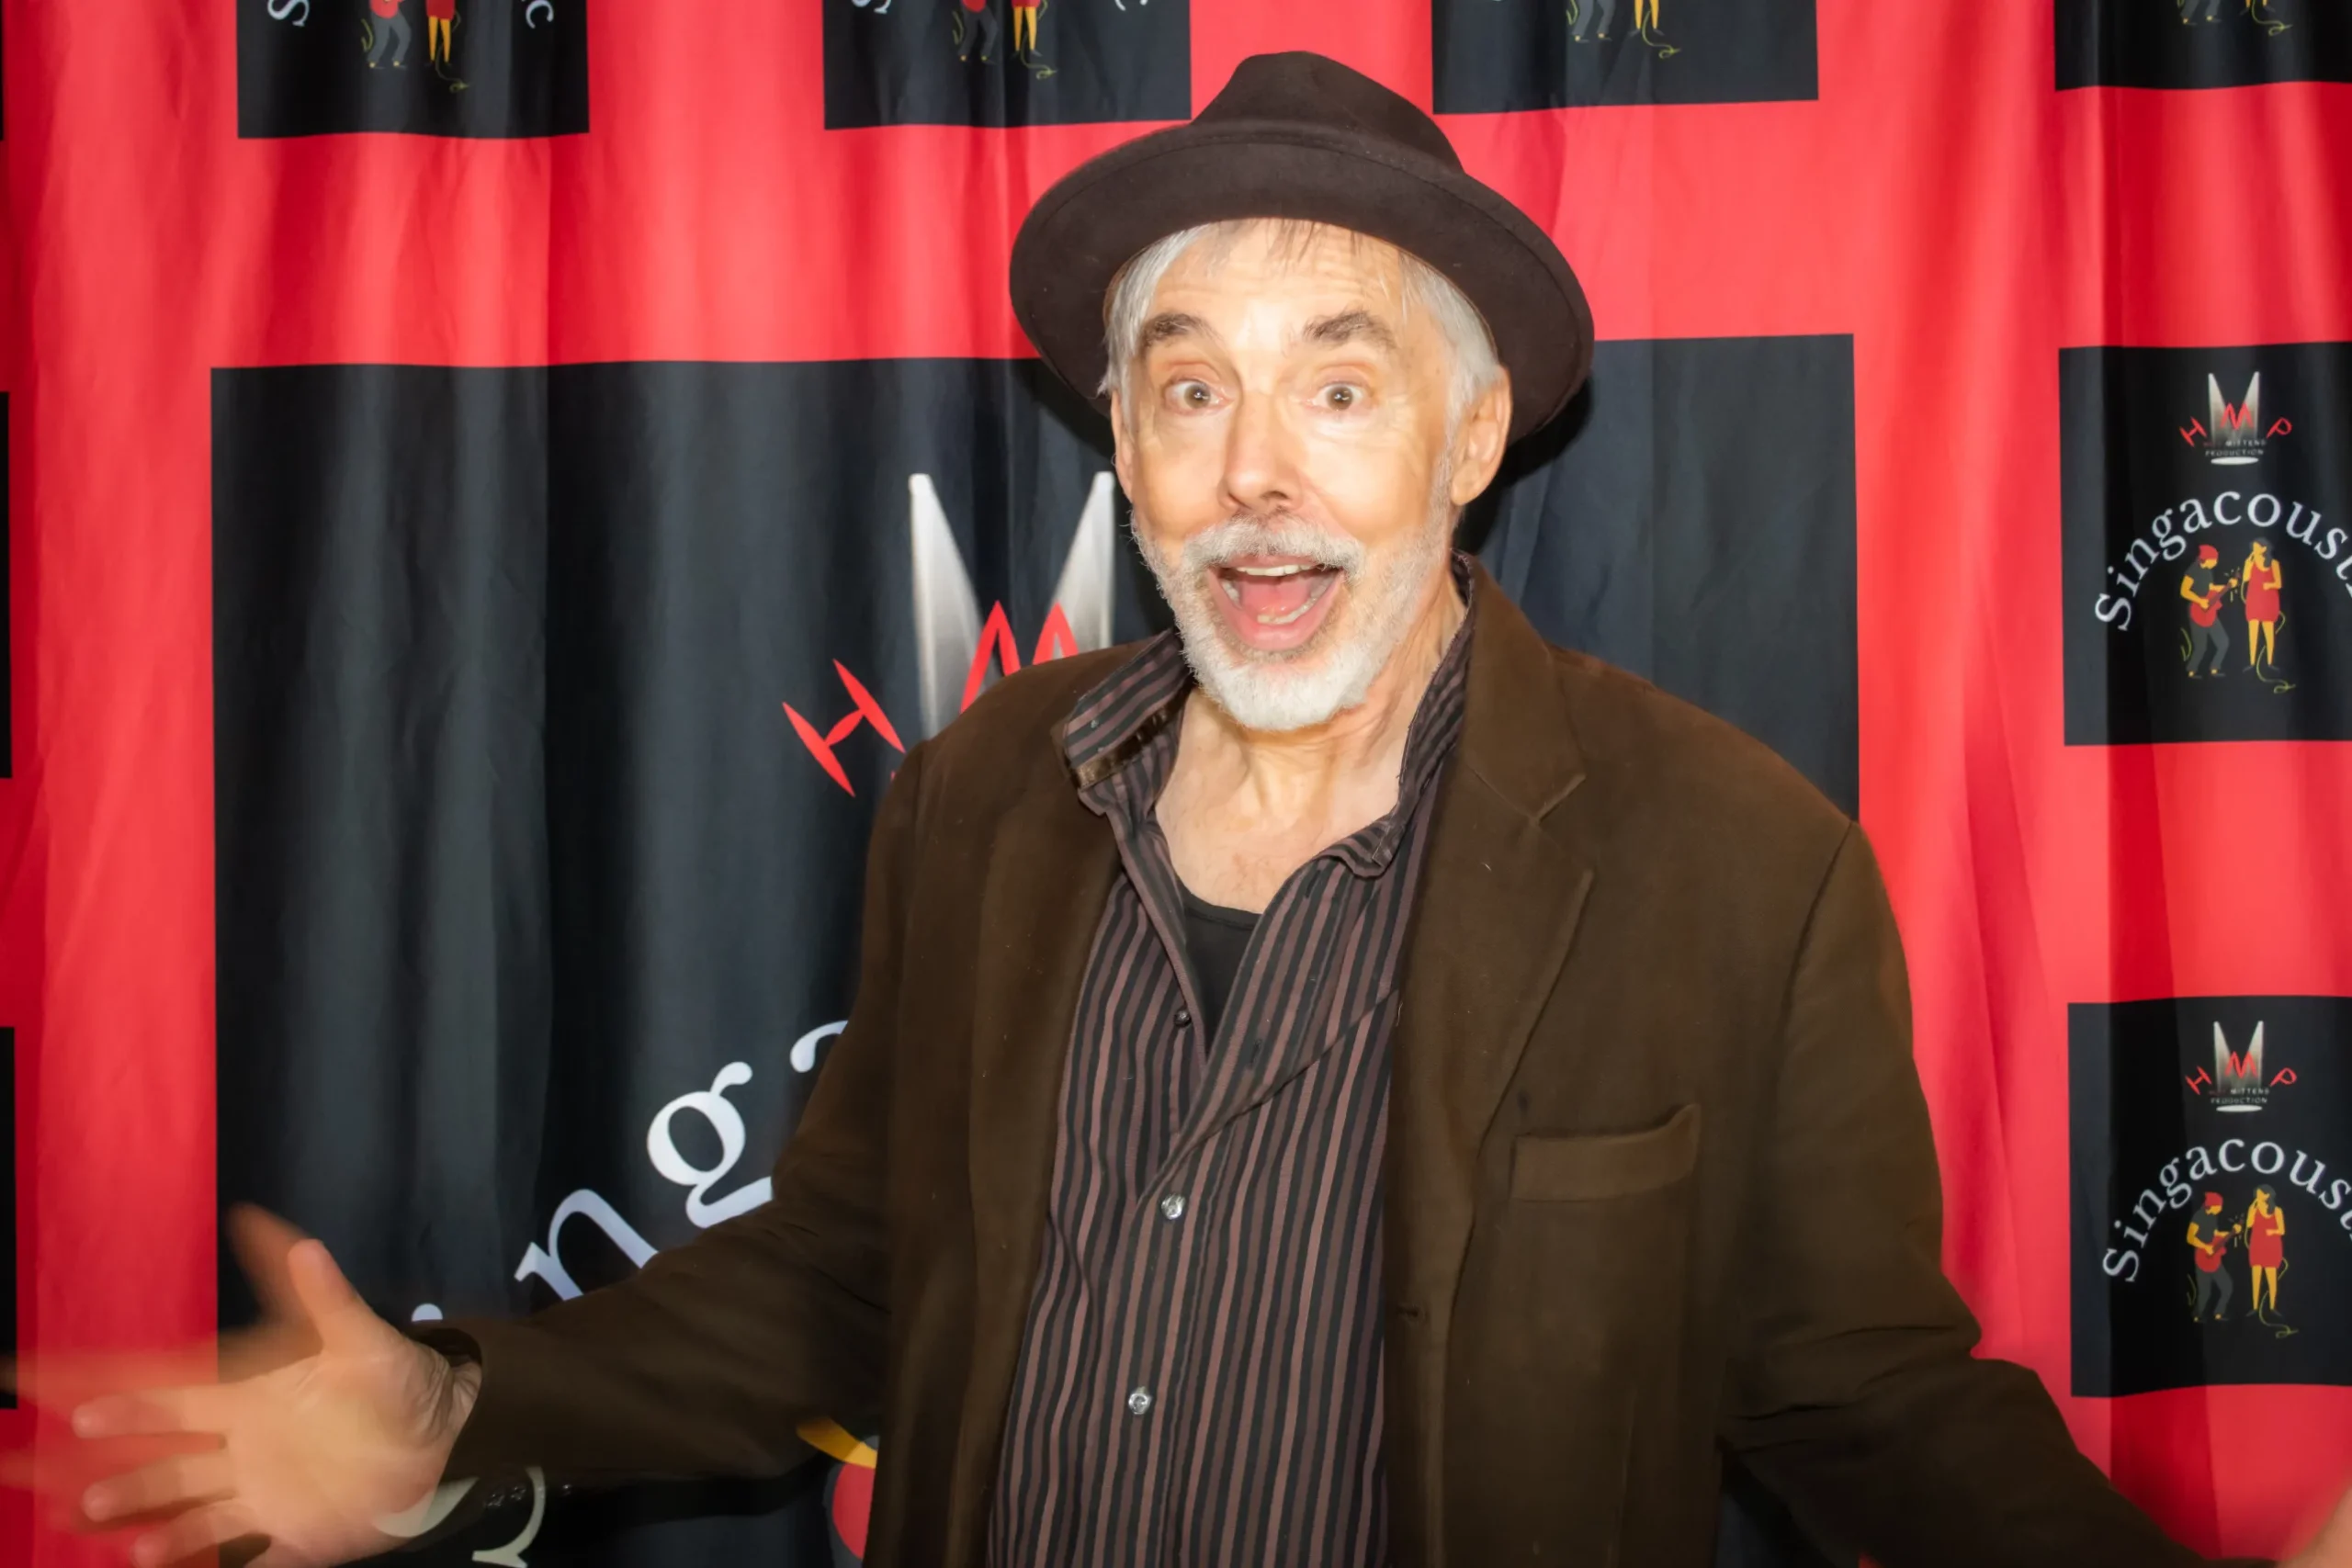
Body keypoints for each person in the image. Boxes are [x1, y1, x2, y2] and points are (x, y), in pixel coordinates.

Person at [17, 50, 2348, 1568]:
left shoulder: (1733, 863)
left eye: (1338, 385)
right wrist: (455, 1401)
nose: (1254, 474)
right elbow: (839, 1279)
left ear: (1465, 439)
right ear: (1118, 445)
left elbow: (1861, 1393)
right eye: (1187, 386)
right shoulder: (977, 798)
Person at [2183, 542, 2234, 678]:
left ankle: (2214, 668)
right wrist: (2200, 601)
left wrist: (2228, 586)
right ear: (2206, 559)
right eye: (2214, 560)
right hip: (2197, 612)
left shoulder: (2207, 571)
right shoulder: (2192, 571)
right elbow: (2184, 591)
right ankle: (2191, 671)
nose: (2216, 562)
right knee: (2201, 647)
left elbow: (2211, 588)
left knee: (2223, 642)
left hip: (2210, 611)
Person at [2188, 1190, 2238, 1323]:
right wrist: (2205, 1247)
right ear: (2212, 1205)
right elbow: (2190, 1237)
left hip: (2215, 1258)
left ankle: (2218, 1313)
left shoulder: (2212, 1217)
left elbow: (2216, 1234)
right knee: (2205, 1292)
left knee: (2227, 1286)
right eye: (2219, 1206)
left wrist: (2232, 1232)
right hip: (2202, 1258)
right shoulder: (2198, 1217)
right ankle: (2196, 1316)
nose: (2220, 1209)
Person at [2243, 538, 2283, 676]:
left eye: (2257, 547)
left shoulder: (2274, 564)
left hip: (2268, 600)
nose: (2254, 550)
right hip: (2254, 599)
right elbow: (2245, 578)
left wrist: (2269, 585)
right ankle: (2252, 662)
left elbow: (2279, 583)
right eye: (2253, 548)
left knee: (2269, 632)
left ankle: (2270, 662)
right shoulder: (2252, 562)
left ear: (2264, 549)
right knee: (2253, 632)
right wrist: (2247, 563)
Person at [2247, 1185, 2287, 1319]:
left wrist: (2272, 1231)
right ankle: (2254, 1306)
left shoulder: (2277, 1211)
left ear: (2267, 1195)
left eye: (2260, 1194)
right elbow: (2249, 1224)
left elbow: (2282, 1230)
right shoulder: (2255, 1209)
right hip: (2257, 1246)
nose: (2258, 1196)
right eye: (2257, 1194)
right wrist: (2252, 1208)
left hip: (2271, 1247)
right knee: (2256, 1278)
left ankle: (2272, 1306)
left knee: (2271, 1278)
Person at [365, 0, 411, 70]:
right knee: (382, 41)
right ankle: (372, 61)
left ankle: (397, 60)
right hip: (380, 15)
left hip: (393, 13)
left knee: (405, 34)